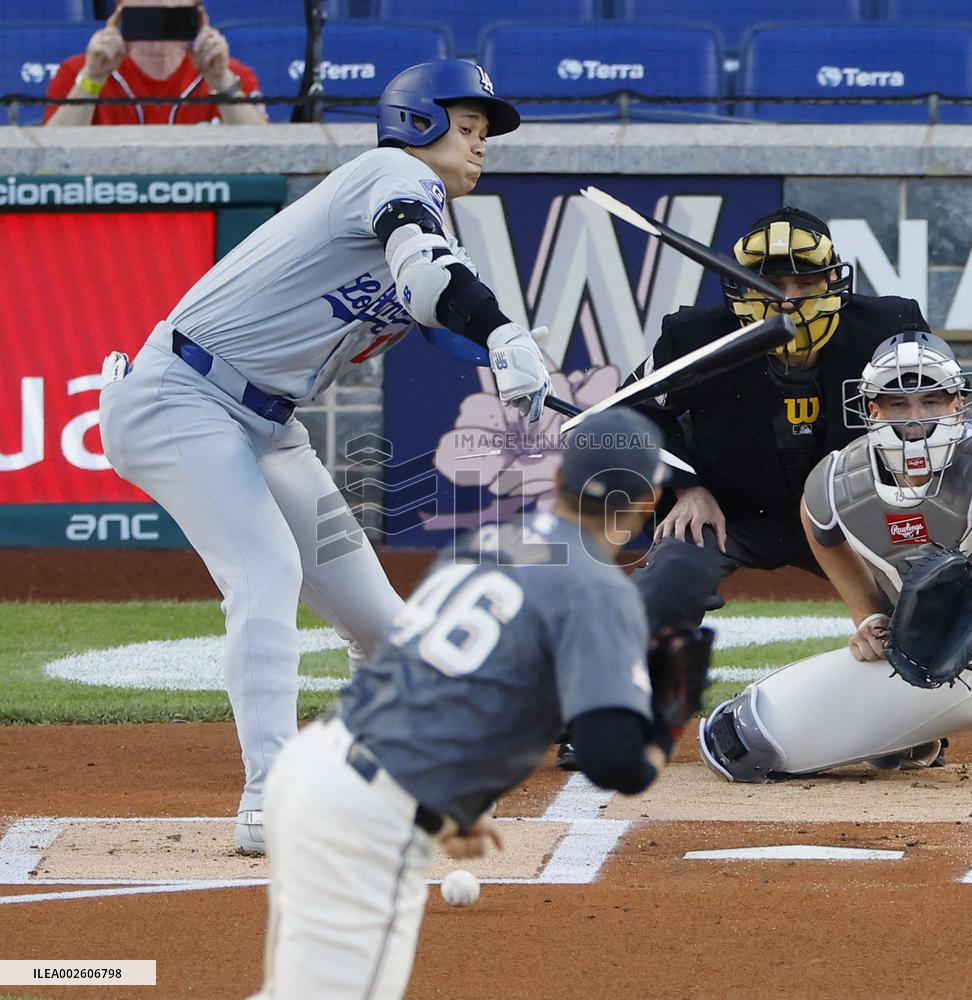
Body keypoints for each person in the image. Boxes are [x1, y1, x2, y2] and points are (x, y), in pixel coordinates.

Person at [98, 59, 551, 855]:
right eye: (470, 128)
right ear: (420, 123)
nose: (482, 148)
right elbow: (427, 269)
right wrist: (503, 334)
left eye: (485, 136)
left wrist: (508, 359)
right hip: (183, 393)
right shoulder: (387, 174)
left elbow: (431, 300)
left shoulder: (429, 227)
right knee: (264, 569)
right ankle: (266, 795)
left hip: (266, 425)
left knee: (385, 630)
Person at [249, 408, 702, 1000]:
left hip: (314, 769)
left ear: (561, 475)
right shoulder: (597, 587)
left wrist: (451, 808)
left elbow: (431, 679)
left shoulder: (488, 541)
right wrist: (665, 729)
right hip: (364, 818)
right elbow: (611, 759)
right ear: (646, 503)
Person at [559, 206, 929, 769]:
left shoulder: (887, 330)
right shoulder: (693, 338)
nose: (788, 297)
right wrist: (686, 485)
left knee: (925, 585)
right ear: (737, 287)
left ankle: (908, 715)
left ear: (835, 280)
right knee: (672, 578)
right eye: (772, 282)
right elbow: (624, 418)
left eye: (806, 280)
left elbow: (937, 416)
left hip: (849, 514)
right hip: (728, 510)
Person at [699, 330, 972, 782]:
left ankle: (915, 718)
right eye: (898, 404)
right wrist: (867, 617)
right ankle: (911, 723)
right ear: (872, 410)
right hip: (933, 648)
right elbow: (817, 522)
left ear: (957, 404)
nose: (915, 420)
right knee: (748, 741)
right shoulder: (840, 480)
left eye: (931, 402)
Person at [43, 0, 267, 126]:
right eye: (147, 15)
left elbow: (266, 155)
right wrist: (92, 79)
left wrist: (221, 83)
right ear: (120, 12)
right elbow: (50, 156)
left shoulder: (231, 74)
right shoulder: (78, 72)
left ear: (197, 14)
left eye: (171, 17)